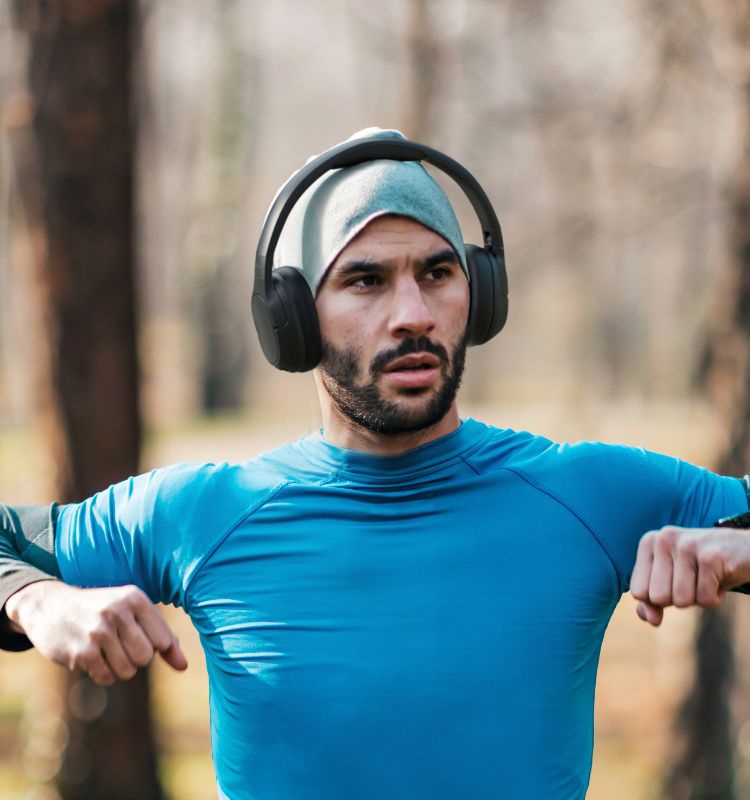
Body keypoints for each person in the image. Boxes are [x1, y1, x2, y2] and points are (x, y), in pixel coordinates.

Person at [2, 127, 750, 800]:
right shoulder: (204, 513)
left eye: (437, 273)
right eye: (365, 280)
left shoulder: (588, 493)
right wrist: (41, 600)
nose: (413, 314)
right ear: (292, 319)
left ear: (479, 293)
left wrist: (741, 546)